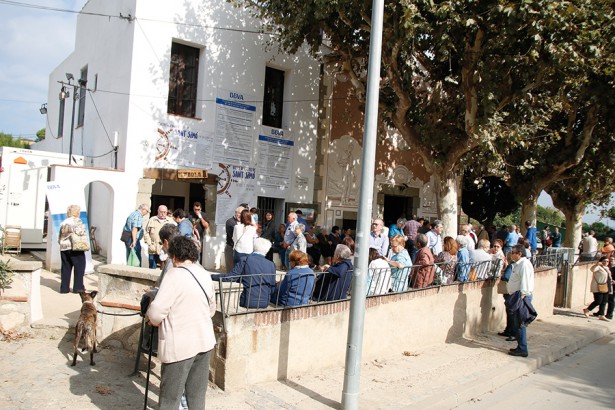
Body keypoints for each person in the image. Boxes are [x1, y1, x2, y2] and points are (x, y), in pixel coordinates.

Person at [146, 236, 216, 410]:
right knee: (197, 396)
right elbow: (212, 309)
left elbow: (156, 313)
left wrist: (151, 318)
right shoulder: (204, 274)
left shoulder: (174, 275)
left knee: (171, 397)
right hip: (204, 341)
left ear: (174, 256)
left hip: (180, 346)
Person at [212, 238, 276, 309]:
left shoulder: (245, 260)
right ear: (267, 251)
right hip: (265, 302)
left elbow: (230, 277)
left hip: (247, 301)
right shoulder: (271, 264)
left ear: (253, 247)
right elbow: (272, 286)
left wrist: (212, 276)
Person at [507, 244, 535, 357]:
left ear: (520, 254)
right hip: (517, 295)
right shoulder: (518, 264)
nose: (511, 254)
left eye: (513, 252)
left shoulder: (524, 264)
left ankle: (522, 348)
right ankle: (520, 346)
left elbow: (525, 280)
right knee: (517, 322)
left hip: (521, 296)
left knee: (520, 323)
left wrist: (522, 295)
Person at [58, 204, 87, 294]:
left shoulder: (63, 222)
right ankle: (78, 288)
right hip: (75, 247)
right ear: (77, 213)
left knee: (66, 268)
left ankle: (64, 289)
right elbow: (80, 232)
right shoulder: (77, 221)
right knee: (79, 267)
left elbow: (59, 236)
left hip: (64, 247)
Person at [144, 205, 174, 269]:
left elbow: (174, 234)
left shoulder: (170, 221)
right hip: (153, 247)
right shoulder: (152, 219)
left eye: (164, 212)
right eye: (161, 212)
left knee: (164, 268)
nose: (163, 214)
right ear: (158, 211)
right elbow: (146, 233)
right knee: (152, 267)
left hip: (164, 249)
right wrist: (149, 244)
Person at [583, 256, 611, 321]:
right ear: (601, 261)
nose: (606, 262)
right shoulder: (598, 267)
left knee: (604, 301)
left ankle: (601, 315)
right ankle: (587, 310)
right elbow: (592, 270)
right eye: (604, 261)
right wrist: (597, 264)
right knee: (598, 301)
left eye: (607, 261)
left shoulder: (606, 268)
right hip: (597, 286)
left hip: (605, 286)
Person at [224, 206, 244, 271]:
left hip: (240, 249)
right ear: (235, 213)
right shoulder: (230, 222)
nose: (241, 215)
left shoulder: (244, 222)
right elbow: (233, 236)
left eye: (242, 214)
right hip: (231, 248)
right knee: (231, 270)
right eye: (239, 213)